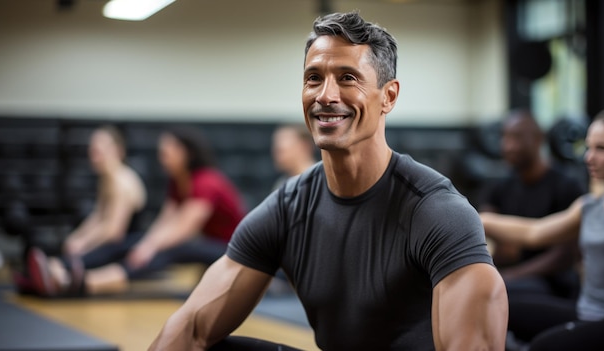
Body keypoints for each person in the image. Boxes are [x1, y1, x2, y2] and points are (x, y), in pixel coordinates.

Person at [148, 11, 507, 351]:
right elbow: (191, 328)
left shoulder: (438, 213)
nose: (325, 96)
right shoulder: (287, 209)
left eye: (347, 78)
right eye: (314, 78)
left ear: (389, 96)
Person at [26, 126, 247, 297]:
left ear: (185, 153)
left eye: (167, 150)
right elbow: (165, 221)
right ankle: (61, 267)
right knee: (138, 241)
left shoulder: (206, 181)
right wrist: (145, 243)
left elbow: (184, 229)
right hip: (210, 243)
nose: (162, 155)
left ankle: (84, 282)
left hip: (235, 251)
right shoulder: (177, 181)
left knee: (168, 249)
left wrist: (149, 248)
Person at [481, 108, 604, 350]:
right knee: (493, 305)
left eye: (602, 149)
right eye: (588, 147)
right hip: (586, 312)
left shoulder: (568, 188)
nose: (589, 157)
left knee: (543, 346)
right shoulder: (588, 207)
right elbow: (534, 232)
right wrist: (472, 218)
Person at [13, 125, 146, 293]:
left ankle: (54, 275)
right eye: (93, 149)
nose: (95, 154)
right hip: (112, 242)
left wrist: (84, 244)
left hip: (126, 246)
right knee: (71, 248)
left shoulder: (122, 182)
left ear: (118, 150)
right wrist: (77, 238)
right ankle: (44, 275)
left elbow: (114, 231)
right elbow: (98, 217)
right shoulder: (107, 179)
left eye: (101, 149)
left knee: (74, 258)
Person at [480, 109, 584, 298]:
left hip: (550, 282)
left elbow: (565, 254)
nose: (508, 146)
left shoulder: (567, 186)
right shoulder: (500, 186)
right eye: (505, 137)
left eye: (517, 137)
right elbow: (485, 233)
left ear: (538, 139)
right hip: (508, 274)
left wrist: (513, 275)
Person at [271, 124, 317, 189]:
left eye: (281, 151)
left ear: (304, 146)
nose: (276, 156)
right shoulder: (281, 184)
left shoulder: (321, 181)